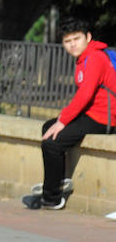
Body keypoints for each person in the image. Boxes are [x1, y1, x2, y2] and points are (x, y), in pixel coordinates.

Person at [23, 17, 116, 210]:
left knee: (52, 142)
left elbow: (85, 94)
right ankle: (58, 181)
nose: (72, 44)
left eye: (76, 38)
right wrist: (60, 121)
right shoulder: (83, 58)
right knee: (48, 127)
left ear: (88, 37)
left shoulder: (95, 58)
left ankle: (51, 198)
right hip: (93, 115)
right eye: (67, 41)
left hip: (105, 119)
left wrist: (63, 120)